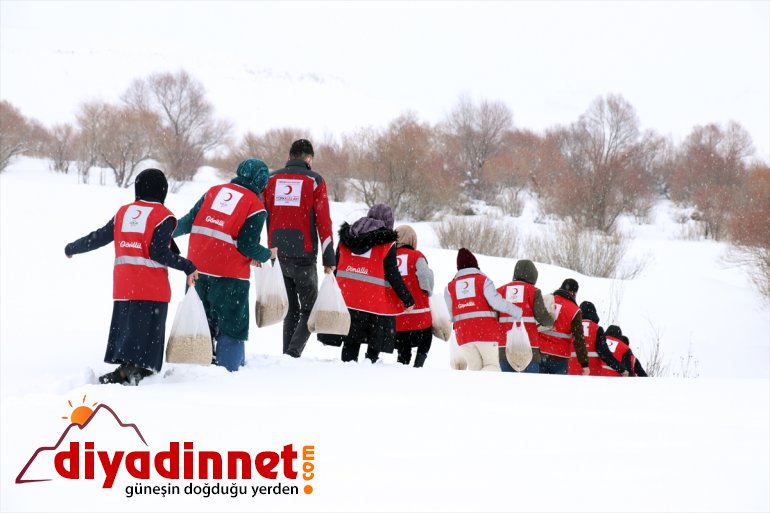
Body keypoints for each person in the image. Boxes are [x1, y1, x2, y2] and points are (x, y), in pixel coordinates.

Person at [64, 168, 198, 385]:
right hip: (151, 287)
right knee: (147, 336)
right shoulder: (163, 216)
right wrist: (187, 265)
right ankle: (135, 372)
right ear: (162, 190)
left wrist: (73, 247)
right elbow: (158, 253)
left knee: (129, 330)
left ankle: (126, 368)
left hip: (125, 286)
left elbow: (98, 237)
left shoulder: (124, 212)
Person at [173, 159, 276, 372]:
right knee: (232, 325)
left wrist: (163, 233)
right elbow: (246, 245)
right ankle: (228, 371)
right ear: (262, 181)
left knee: (202, 321)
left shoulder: (214, 191)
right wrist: (267, 254)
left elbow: (188, 221)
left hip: (197, 270)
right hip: (230, 276)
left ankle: (197, 366)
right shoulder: (255, 207)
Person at [262, 139, 336, 358]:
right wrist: (328, 256)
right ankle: (292, 354)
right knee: (310, 308)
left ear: (290, 155)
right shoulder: (315, 180)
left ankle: (287, 355)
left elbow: (261, 214)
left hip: (277, 253)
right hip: (303, 253)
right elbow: (324, 221)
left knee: (291, 309)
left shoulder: (271, 179)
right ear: (309, 158)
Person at [336, 204, 414, 363]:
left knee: (351, 339)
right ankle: (370, 366)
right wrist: (407, 298)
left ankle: (345, 370)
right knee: (375, 337)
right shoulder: (387, 241)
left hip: (345, 298)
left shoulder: (348, 236)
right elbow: (393, 274)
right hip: (371, 301)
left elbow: (337, 264)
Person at [445, 248, 522, 371]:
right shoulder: (483, 281)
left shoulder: (449, 288)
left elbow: (451, 313)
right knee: (492, 366)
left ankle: (474, 390)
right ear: (475, 264)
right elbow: (497, 303)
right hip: (485, 332)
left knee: (475, 368)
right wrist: (517, 311)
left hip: (463, 335)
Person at [496, 259, 554, 373]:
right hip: (529, 347)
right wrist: (551, 320)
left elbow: (493, 317)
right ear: (533, 275)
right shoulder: (533, 292)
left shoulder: (500, 291)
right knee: (529, 388)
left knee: (508, 387)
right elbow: (542, 317)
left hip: (505, 346)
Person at [393, 225, 435, 368]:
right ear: (412, 239)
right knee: (426, 340)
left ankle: (402, 363)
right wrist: (427, 291)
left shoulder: (388, 256)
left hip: (397, 320)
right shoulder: (417, 256)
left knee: (403, 347)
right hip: (419, 319)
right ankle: (418, 365)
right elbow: (425, 279)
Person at [537, 278, 589, 375]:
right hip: (560, 356)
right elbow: (579, 338)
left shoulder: (547, 300)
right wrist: (584, 364)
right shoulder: (575, 310)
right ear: (574, 293)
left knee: (538, 388)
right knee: (558, 389)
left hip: (540, 352)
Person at [568, 301, 606, 376]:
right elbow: (603, 351)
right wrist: (620, 368)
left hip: (571, 369)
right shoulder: (597, 329)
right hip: (593, 371)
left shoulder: (571, 326)